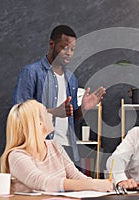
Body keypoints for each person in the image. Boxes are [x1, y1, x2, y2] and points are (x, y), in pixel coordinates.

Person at [11, 25, 106, 165]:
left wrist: (84, 108)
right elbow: (18, 113)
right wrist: (53, 112)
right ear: (52, 44)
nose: (69, 53)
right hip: (40, 148)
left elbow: (73, 118)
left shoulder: (71, 78)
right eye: (65, 47)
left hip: (67, 149)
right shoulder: (32, 73)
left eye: (72, 49)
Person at [0, 100, 113, 192]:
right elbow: (44, 183)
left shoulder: (54, 146)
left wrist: (99, 185)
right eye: (46, 113)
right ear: (39, 124)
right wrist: (91, 184)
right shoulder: (16, 156)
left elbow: (75, 175)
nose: (50, 115)